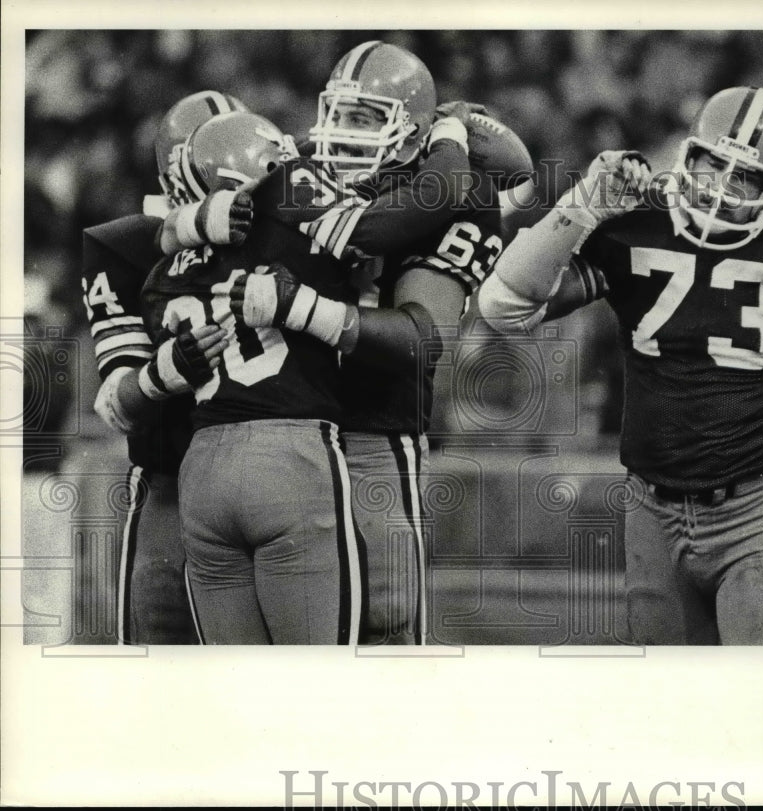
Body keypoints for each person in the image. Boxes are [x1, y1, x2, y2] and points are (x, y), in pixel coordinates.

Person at [478, 86, 763, 645]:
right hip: (650, 505)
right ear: (686, 154)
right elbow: (504, 306)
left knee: (756, 705)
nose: (720, 188)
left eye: (744, 178)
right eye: (712, 164)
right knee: (671, 710)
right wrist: (583, 204)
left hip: (755, 508)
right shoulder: (634, 218)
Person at [143, 87, 477, 643]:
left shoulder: (165, 268)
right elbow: (407, 215)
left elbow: (165, 258)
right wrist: (450, 137)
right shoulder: (289, 199)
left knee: (238, 689)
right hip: (290, 454)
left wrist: (182, 227)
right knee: (319, 680)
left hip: (200, 469)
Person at [230, 40, 505, 644]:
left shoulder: (462, 195)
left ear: (411, 132)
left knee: (383, 622)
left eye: (363, 117)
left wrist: (303, 309)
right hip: (285, 434)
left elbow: (419, 339)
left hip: (372, 434)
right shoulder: (301, 174)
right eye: (336, 112)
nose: (337, 132)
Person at [82, 90, 254, 644]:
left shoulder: (289, 234)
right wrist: (165, 373)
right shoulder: (124, 246)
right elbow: (117, 403)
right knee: (161, 650)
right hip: (171, 486)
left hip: (271, 485)